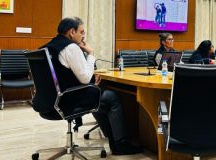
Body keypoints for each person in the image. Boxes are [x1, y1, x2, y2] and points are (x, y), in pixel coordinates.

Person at [42, 17, 142, 155]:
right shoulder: (70, 47)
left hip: (48, 102)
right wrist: (91, 54)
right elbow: (85, 77)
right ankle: (119, 144)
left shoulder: (47, 47)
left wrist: (89, 85)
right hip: (66, 101)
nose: (83, 36)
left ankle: (111, 138)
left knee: (98, 95)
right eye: (82, 32)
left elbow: (60, 77)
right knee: (111, 97)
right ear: (72, 32)